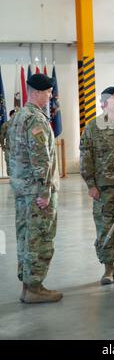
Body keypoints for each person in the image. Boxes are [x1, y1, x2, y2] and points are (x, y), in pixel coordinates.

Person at [9, 73, 62, 303]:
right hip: (35, 192)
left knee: (25, 237)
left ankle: (27, 285)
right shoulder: (36, 119)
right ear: (37, 92)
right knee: (39, 237)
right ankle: (35, 288)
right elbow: (41, 159)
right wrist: (45, 191)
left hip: (22, 188)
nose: (51, 96)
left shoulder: (19, 116)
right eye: (49, 92)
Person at [80, 85, 114, 285]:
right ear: (103, 103)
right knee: (105, 226)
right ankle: (108, 268)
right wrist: (90, 185)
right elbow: (86, 158)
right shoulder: (93, 127)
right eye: (113, 98)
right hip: (103, 187)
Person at [0, 109, 16, 176]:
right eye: (14, 115)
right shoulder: (6, 125)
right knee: (9, 166)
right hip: (8, 149)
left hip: (19, 150)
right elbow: (1, 136)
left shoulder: (21, 125)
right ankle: (11, 181)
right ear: (11, 115)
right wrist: (3, 146)